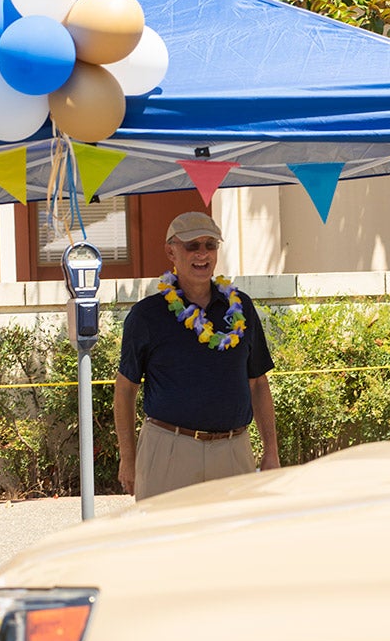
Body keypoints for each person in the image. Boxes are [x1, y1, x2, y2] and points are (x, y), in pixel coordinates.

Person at [115, 211, 280, 500]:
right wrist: (128, 460)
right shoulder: (147, 315)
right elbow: (125, 390)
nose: (202, 254)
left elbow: (258, 383)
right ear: (171, 252)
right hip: (169, 450)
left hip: (234, 451)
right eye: (192, 246)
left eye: (210, 245)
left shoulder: (241, 307)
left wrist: (271, 452)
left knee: (232, 543)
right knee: (164, 542)